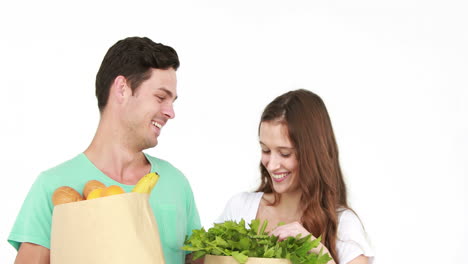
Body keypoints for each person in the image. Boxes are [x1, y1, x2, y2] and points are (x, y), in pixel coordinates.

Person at [9, 37, 201, 264]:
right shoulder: (51, 186)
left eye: (172, 101)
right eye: (160, 97)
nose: (170, 112)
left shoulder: (175, 183)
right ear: (122, 89)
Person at [216, 89, 374, 264]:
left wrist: (320, 253)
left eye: (284, 153)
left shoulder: (343, 226)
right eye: (265, 150)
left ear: (313, 154)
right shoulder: (240, 208)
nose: (272, 165)